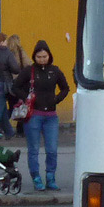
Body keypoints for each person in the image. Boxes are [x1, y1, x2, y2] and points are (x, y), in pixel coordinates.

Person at [13, 40, 70, 191]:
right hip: (34, 115)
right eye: (39, 56)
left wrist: (56, 99)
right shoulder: (29, 71)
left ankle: (50, 177)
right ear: (34, 56)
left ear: (49, 56)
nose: (42, 59)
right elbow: (15, 87)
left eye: (44, 56)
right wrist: (27, 98)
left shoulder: (55, 71)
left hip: (51, 115)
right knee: (33, 149)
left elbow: (65, 88)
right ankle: (36, 177)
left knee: (52, 149)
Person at [5, 34, 32, 135]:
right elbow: (28, 64)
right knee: (21, 105)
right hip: (20, 82)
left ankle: (1, 124)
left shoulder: (6, 52)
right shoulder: (20, 51)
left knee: (12, 106)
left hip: (8, 82)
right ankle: (20, 130)